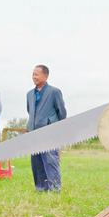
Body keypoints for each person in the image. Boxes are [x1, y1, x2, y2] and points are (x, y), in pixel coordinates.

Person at [27, 64, 67, 192]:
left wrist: (56, 128)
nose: (34, 77)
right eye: (33, 74)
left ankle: (55, 188)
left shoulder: (54, 92)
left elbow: (61, 112)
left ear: (45, 75)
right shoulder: (29, 94)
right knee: (36, 161)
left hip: (50, 133)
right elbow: (30, 111)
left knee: (50, 160)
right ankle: (41, 188)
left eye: (37, 74)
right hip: (34, 132)